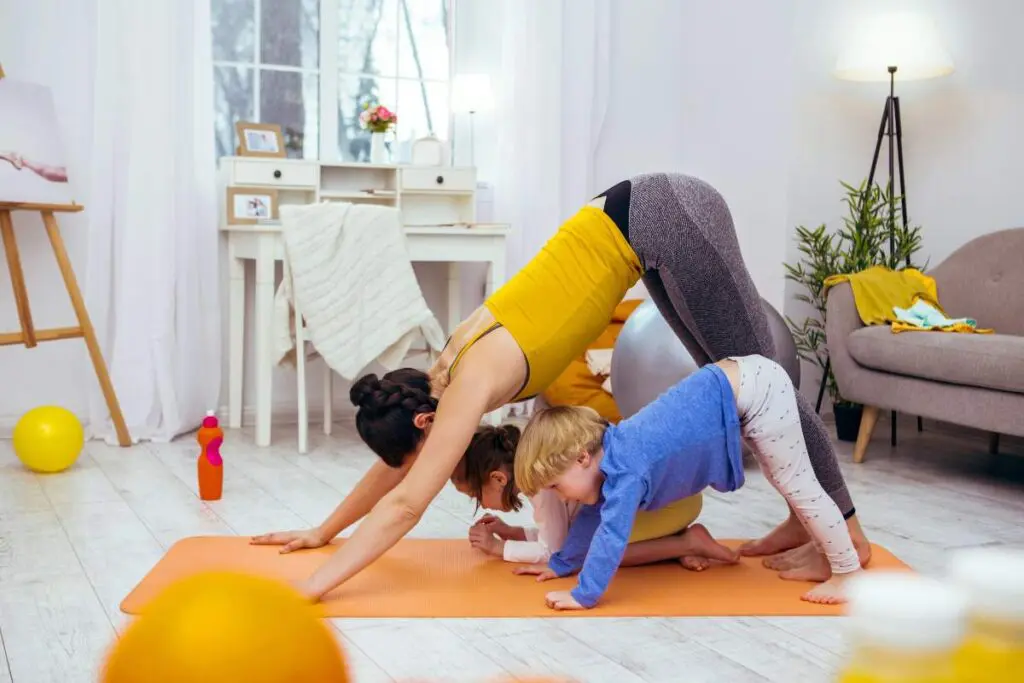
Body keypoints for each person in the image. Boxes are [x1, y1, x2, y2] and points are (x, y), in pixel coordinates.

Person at [252, 173, 871, 601]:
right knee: (740, 368)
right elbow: (399, 472)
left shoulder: (464, 386)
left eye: (422, 455)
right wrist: (323, 530)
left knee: (766, 376)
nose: (430, 469)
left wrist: (315, 583)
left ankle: (848, 534)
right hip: (639, 229)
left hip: (666, 213)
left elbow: (406, 502)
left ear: (423, 424)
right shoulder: (437, 385)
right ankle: (804, 519)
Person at [513, 355, 863, 610]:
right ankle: (827, 556)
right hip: (743, 385)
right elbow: (594, 517)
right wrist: (560, 563)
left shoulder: (626, 468)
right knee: (785, 480)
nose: (561, 496)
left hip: (757, 390)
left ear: (581, 457)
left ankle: (848, 571)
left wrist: (582, 594)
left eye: (557, 486)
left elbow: (611, 534)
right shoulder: (612, 456)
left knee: (798, 485)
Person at [453, 423, 737, 571]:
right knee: (587, 540)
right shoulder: (538, 471)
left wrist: (497, 549)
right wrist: (511, 532)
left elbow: (556, 551)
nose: (480, 504)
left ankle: (686, 543)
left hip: (671, 502)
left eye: (475, 496)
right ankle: (675, 543)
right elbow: (558, 533)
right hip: (668, 502)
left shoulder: (541, 485)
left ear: (498, 479)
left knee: (590, 554)